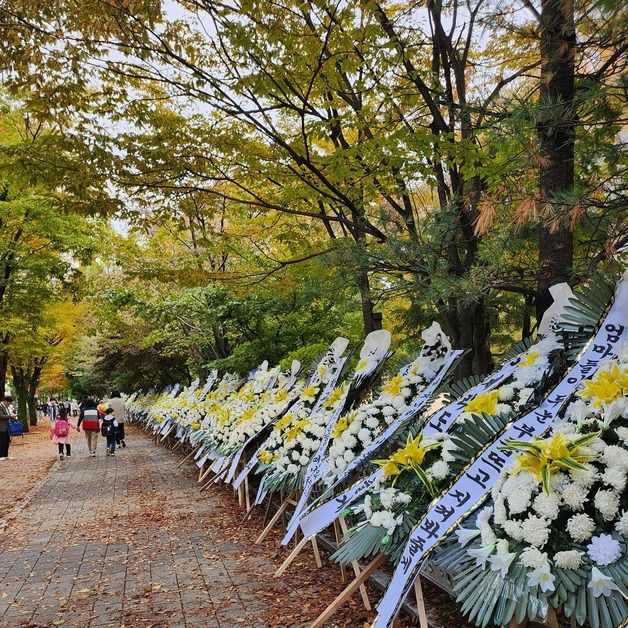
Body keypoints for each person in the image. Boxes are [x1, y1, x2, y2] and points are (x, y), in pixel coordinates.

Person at [0, 394, 17, 461]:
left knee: (7, 441)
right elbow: (1, 416)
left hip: (6, 427)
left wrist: (12, 417)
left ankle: (5, 455)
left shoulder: (5, 407)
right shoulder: (0, 406)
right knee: (2, 442)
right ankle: (1, 456)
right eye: (9, 403)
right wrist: (10, 416)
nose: (9, 405)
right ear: (5, 401)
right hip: (1, 428)